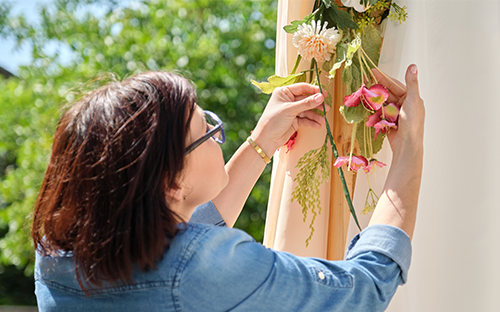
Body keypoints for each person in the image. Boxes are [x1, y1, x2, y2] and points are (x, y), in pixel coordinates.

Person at [32, 64, 424, 311]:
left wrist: (263, 141)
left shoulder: (58, 251)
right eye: (208, 131)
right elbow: (364, 288)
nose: (220, 136)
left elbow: (181, 233)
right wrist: (409, 148)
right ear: (170, 184)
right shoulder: (204, 269)